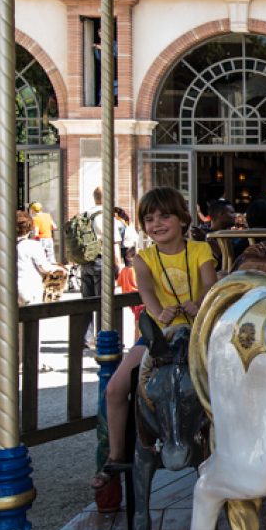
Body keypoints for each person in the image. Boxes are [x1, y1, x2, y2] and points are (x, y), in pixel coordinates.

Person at [92, 186, 217, 491]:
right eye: (149, 219)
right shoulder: (144, 258)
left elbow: (209, 284)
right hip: (161, 336)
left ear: (182, 219)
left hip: (198, 332)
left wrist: (199, 303)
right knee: (115, 388)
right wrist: (159, 313)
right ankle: (117, 453)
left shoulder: (200, 251)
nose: (157, 224)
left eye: (165, 216)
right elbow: (147, 293)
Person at [80, 187, 122, 347]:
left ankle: (85, 337)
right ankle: (102, 336)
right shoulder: (106, 217)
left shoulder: (86, 214)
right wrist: (118, 264)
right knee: (104, 302)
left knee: (87, 301)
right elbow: (114, 242)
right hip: (101, 260)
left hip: (85, 261)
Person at [16, 210, 62, 305]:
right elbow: (43, 268)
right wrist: (58, 268)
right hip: (29, 288)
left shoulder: (4, 246)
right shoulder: (33, 245)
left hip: (8, 290)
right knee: (31, 318)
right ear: (29, 227)